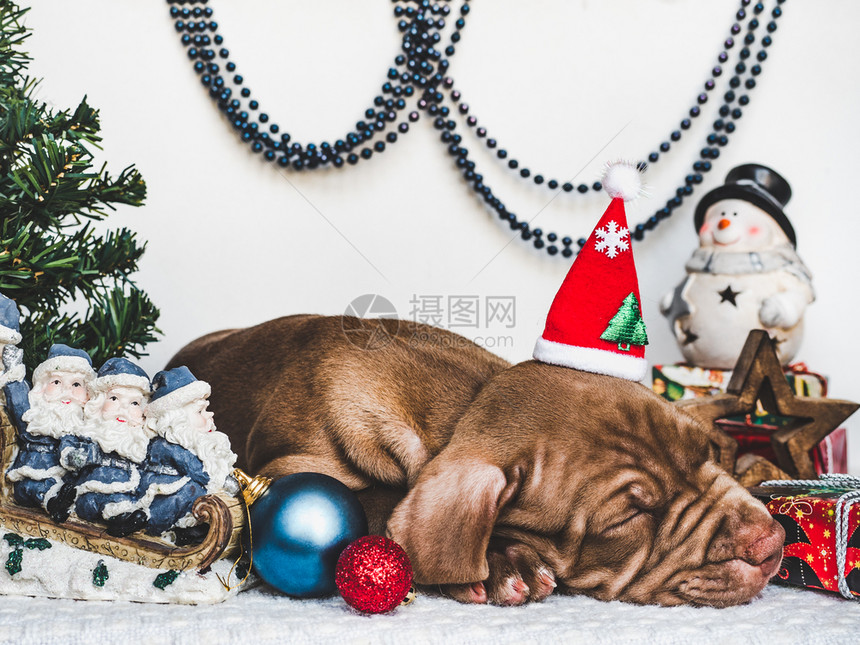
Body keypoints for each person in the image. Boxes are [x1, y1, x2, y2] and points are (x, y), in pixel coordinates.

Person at [110, 366, 236, 540]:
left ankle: (188, 531)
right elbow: (196, 469)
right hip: (161, 489)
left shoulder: (196, 442)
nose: (210, 415)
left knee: (195, 493)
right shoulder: (166, 445)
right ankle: (146, 522)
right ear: (177, 419)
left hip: (185, 487)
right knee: (188, 492)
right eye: (200, 411)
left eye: (206, 409)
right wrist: (220, 478)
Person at [53, 358, 153, 532]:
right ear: (98, 402)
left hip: (126, 492)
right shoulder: (87, 432)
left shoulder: (139, 442)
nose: (124, 409)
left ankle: (122, 521)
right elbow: (68, 456)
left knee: (123, 504)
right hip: (89, 488)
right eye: (114, 398)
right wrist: (83, 456)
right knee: (92, 504)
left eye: (134, 403)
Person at [5, 344, 95, 512]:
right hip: (30, 471)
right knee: (32, 487)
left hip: (66, 477)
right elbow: (17, 401)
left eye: (76, 384)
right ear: (42, 387)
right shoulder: (33, 418)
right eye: (56, 381)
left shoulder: (83, 427)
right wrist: (13, 373)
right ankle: (54, 502)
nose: (67, 390)